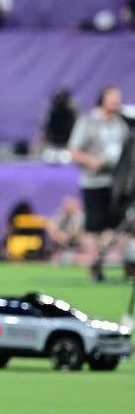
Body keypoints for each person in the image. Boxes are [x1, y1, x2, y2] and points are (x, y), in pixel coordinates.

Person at [69, 86, 130, 281]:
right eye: (112, 97)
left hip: (118, 182)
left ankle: (124, 264)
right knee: (94, 225)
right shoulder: (88, 121)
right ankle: (95, 266)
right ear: (102, 99)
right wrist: (93, 162)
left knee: (120, 224)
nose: (116, 101)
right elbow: (74, 151)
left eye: (118, 98)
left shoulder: (122, 123)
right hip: (94, 180)